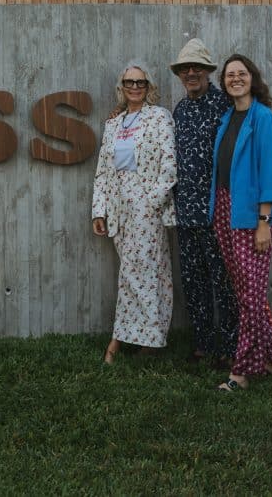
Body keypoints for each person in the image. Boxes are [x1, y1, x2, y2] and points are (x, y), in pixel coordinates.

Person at [91, 62, 177, 364]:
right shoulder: (114, 124)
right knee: (137, 273)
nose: (135, 87)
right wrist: (99, 210)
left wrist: (151, 202)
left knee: (141, 273)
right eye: (130, 82)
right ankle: (148, 338)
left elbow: (169, 166)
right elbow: (103, 171)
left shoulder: (160, 117)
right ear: (122, 87)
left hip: (146, 210)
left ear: (148, 86)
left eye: (141, 82)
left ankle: (117, 344)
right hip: (119, 210)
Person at [209, 54, 272, 391]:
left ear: (252, 78)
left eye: (241, 73)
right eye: (229, 75)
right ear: (224, 82)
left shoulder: (263, 118)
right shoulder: (227, 118)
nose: (235, 78)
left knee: (251, 295)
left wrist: (264, 221)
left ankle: (241, 372)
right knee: (246, 292)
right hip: (225, 209)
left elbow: (268, 172)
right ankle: (271, 360)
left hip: (251, 215)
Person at [169, 38, 238, 370]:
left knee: (223, 283)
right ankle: (203, 345)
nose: (191, 72)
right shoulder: (179, 110)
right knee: (194, 282)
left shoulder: (225, 106)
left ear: (208, 70)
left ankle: (230, 347)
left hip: (216, 213)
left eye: (197, 67)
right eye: (185, 68)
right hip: (185, 213)